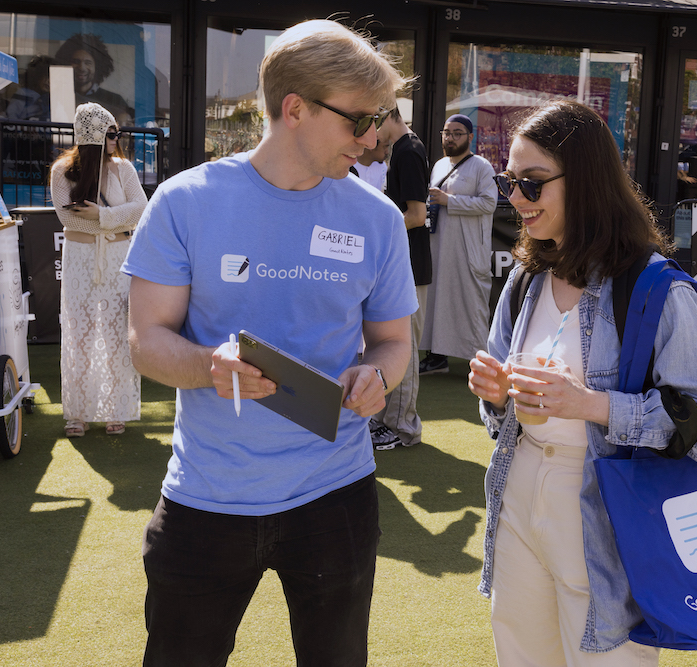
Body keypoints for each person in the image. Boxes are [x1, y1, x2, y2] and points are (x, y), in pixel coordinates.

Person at [121, 20, 416, 665]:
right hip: (206, 496)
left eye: (379, 121)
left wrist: (378, 376)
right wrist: (209, 364)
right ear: (295, 109)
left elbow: (393, 341)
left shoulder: (378, 219)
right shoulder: (184, 202)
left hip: (336, 493)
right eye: (360, 120)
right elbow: (146, 341)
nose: (372, 139)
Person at [467, 100, 697, 666]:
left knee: (609, 658)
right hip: (519, 483)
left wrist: (590, 404)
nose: (516, 198)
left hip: (607, 503)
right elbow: (500, 414)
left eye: (532, 183)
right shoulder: (525, 279)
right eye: (510, 181)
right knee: (521, 653)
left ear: (585, 180)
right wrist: (495, 393)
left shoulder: (659, 289)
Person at [50, 102, 146, 437]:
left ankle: (116, 409)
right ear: (92, 136)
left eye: (116, 133)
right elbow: (68, 218)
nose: (117, 139)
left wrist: (101, 217)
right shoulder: (62, 171)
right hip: (79, 256)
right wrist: (108, 221)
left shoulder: (123, 168)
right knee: (80, 332)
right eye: (110, 133)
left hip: (118, 256)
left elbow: (141, 209)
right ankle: (77, 413)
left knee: (117, 330)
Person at [368, 106, 429, 450]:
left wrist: (379, 231)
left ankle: (402, 426)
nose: (370, 131)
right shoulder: (403, 149)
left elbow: (417, 215)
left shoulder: (408, 150)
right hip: (402, 261)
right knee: (392, 343)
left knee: (404, 347)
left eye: (373, 121)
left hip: (412, 263)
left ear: (388, 115)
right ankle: (388, 421)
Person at [420, 114, 498, 375]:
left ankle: (481, 363)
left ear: (470, 137)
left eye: (457, 133)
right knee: (437, 301)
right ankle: (436, 356)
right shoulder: (439, 165)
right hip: (438, 247)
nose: (450, 138)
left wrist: (449, 200)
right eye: (446, 133)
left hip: (467, 250)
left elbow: (489, 203)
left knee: (471, 303)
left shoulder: (482, 167)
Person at [54, 33, 133, 126]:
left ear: (98, 68)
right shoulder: (57, 97)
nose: (82, 68)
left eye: (88, 63)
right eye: (76, 62)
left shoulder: (115, 100)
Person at [5, 55, 54, 121]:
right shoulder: (23, 94)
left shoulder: (55, 99)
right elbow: (11, 116)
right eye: (45, 76)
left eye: (51, 77)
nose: (48, 81)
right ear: (37, 76)